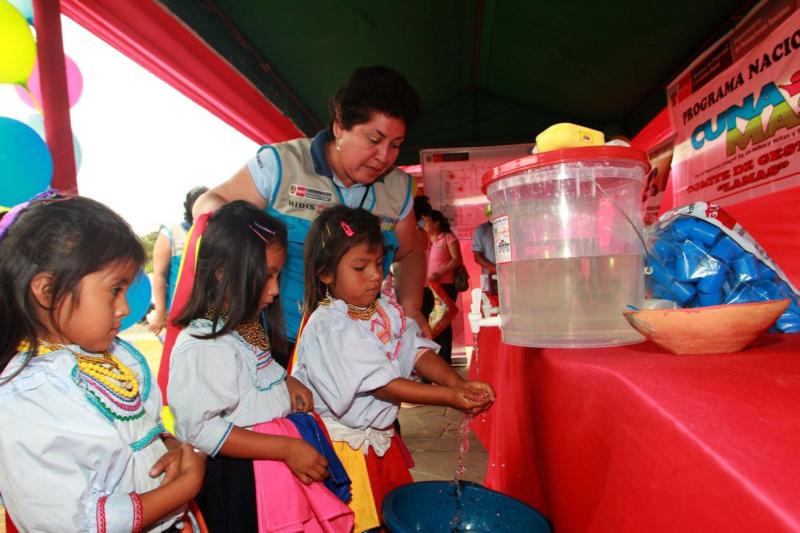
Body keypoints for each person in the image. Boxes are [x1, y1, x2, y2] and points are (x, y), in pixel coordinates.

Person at [192, 66, 429, 366]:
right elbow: (210, 202)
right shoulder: (281, 166)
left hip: (360, 347)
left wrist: (411, 308)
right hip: (277, 343)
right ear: (340, 125)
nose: (384, 157)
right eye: (373, 140)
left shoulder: (398, 189)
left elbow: (411, 252)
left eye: (395, 145)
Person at [0, 195, 205, 532]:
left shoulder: (115, 358)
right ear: (48, 291)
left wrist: (172, 447)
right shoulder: (27, 398)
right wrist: (184, 487)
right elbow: (76, 523)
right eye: (114, 290)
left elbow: (140, 431)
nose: (125, 308)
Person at [292, 205, 495, 531]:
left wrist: (455, 382)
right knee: (360, 521)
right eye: (360, 267)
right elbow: (382, 384)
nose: (375, 275)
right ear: (325, 274)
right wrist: (448, 398)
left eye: (377, 263)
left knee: (390, 514)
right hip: (348, 452)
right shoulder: (331, 325)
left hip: (380, 441)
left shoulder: (383, 309)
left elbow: (415, 350)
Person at [167, 200, 352, 532]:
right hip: (242, 483)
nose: (276, 289)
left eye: (278, 274)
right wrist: (285, 448)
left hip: (268, 473)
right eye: (266, 275)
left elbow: (256, 374)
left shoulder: (245, 324)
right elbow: (200, 429)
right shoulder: (204, 346)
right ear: (222, 270)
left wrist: (286, 382)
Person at [147, 186, 208, 338]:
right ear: (191, 206)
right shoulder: (172, 233)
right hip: (178, 314)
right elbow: (159, 275)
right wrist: (160, 312)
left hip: (208, 314)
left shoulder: (215, 234)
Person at [422, 209, 463, 364]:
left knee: (443, 324)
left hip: (445, 286)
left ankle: (445, 361)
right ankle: (432, 363)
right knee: (429, 324)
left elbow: (457, 260)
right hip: (427, 288)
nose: (424, 224)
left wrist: (440, 273)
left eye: (427, 221)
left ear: (436, 223)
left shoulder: (447, 237)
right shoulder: (423, 239)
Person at [472, 204, 497, 295]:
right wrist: (493, 268)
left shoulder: (509, 227)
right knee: (489, 304)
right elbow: (477, 256)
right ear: (488, 214)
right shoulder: (481, 230)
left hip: (508, 274)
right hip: (487, 275)